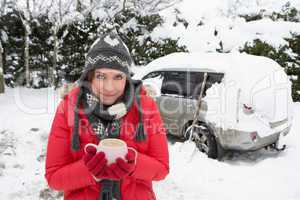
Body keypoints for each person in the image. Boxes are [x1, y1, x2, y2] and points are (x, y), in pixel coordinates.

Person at [44, 32, 169, 200]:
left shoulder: (146, 107)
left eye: (118, 77)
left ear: (127, 77)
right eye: (101, 76)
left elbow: (162, 169)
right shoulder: (68, 109)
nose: (110, 87)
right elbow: (54, 178)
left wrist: (134, 164)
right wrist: (89, 171)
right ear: (90, 76)